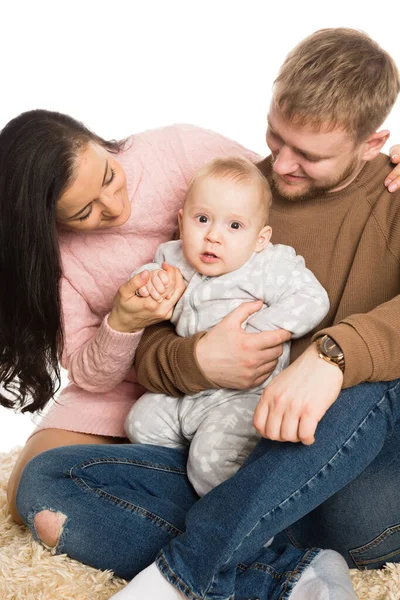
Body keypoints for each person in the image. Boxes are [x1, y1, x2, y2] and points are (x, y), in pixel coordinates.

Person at [4, 27, 400, 600]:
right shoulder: (237, 204)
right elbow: (158, 343)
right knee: (48, 481)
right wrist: (200, 359)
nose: (279, 165)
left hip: (359, 489)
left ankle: (182, 574)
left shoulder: (390, 196)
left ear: (371, 144)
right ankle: (287, 575)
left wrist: (333, 356)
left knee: (374, 383)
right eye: (274, 137)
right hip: (249, 465)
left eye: (308, 155)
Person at [125, 156, 329, 497]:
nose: (213, 236)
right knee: (139, 421)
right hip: (187, 390)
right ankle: (175, 497)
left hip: (245, 396)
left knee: (213, 459)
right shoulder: (172, 258)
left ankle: (241, 528)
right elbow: (140, 281)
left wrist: (258, 331)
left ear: (260, 239)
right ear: (181, 222)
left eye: (234, 226)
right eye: (202, 219)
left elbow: (313, 299)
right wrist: (147, 285)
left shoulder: (267, 265)